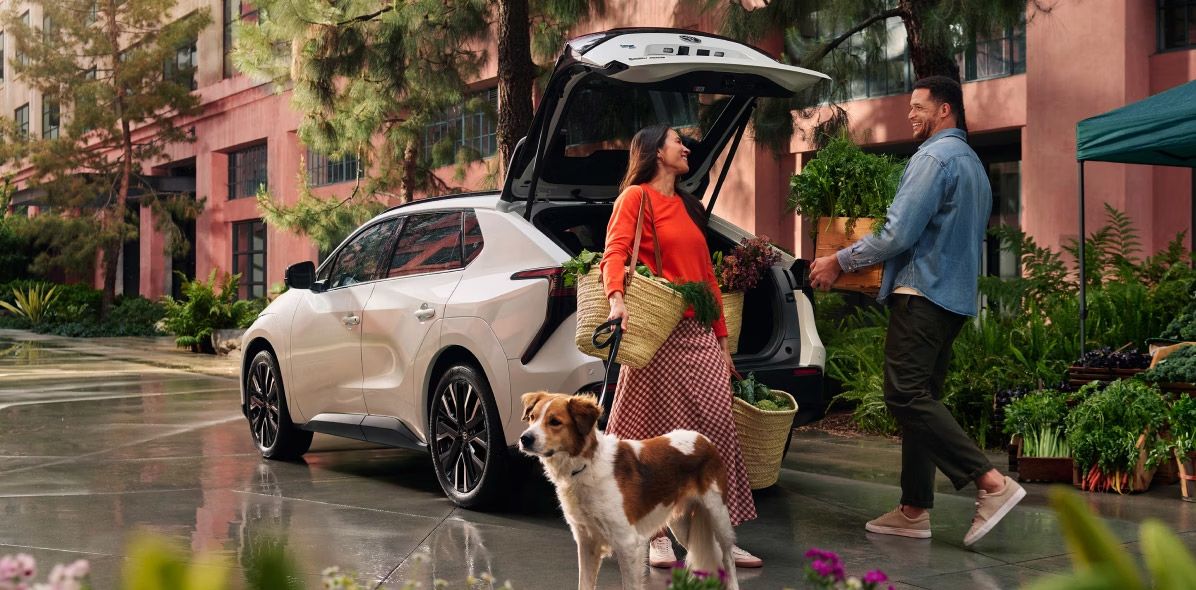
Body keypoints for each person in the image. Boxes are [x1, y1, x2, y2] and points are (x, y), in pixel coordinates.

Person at [808, 76, 1025, 546]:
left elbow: (896, 233)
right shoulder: (974, 166)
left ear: (945, 110)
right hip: (955, 301)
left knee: (905, 395)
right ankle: (912, 510)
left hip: (923, 295)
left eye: (919, 107)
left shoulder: (933, 158)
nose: (911, 115)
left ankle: (990, 483)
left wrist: (837, 261)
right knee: (920, 400)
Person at [600, 124, 763, 568]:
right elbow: (614, 252)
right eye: (677, 141)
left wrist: (723, 341)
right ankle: (655, 533)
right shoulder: (635, 199)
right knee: (653, 439)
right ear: (654, 152)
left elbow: (706, 277)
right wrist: (617, 301)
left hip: (699, 337)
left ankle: (717, 539)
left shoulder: (688, 206)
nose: (685, 147)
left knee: (716, 434)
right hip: (657, 336)